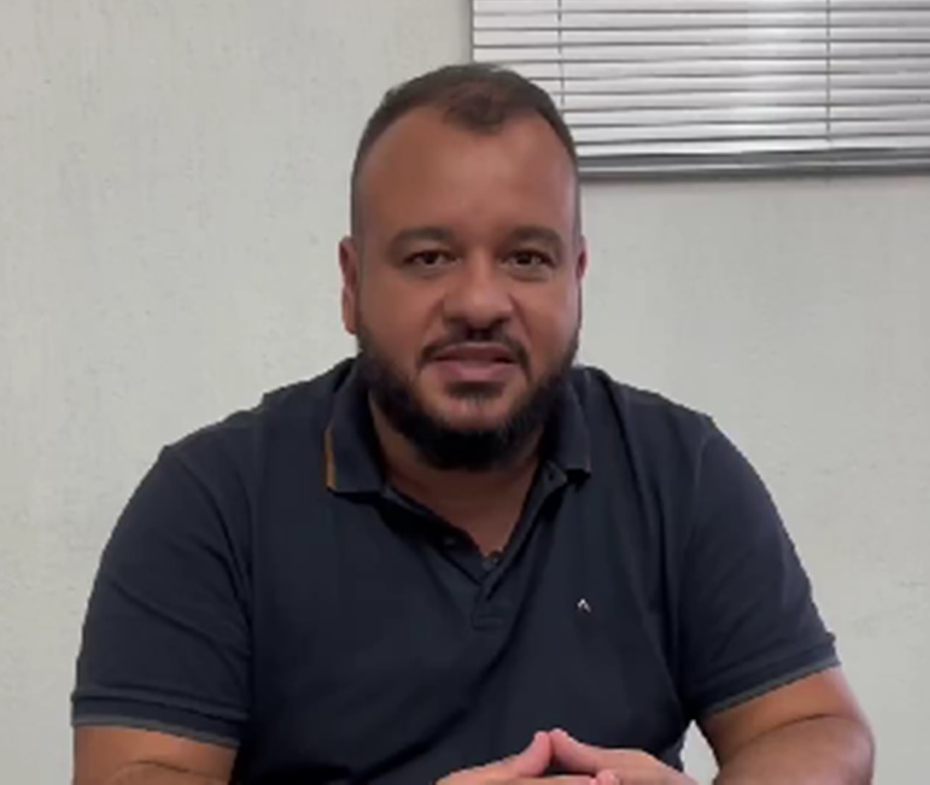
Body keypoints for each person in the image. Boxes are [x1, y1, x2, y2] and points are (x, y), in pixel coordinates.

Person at [72, 64, 874, 784]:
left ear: (576, 276)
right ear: (352, 283)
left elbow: (816, 730)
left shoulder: (679, 468)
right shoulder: (213, 502)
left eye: (527, 258)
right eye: (430, 258)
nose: (481, 303)